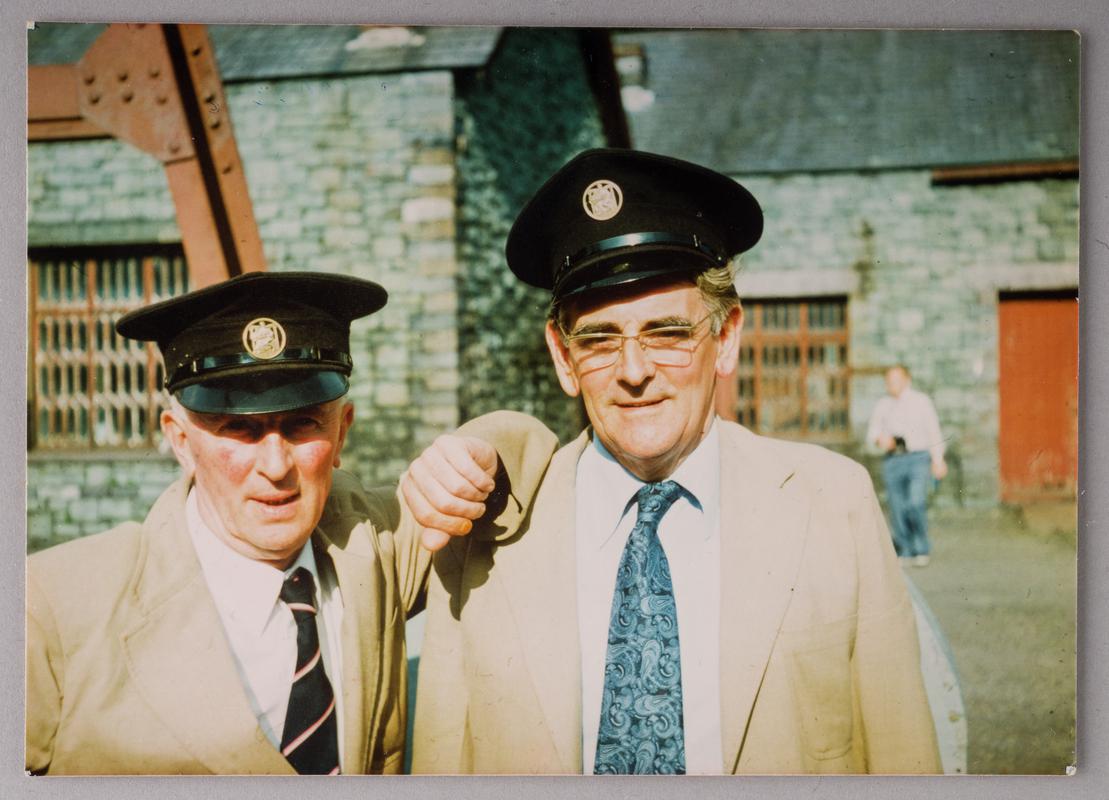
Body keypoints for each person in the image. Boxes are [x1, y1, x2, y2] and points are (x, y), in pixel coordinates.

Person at [407, 149, 941, 775]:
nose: (634, 371)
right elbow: (442, 761)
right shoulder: (482, 534)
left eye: (667, 333)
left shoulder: (834, 503)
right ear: (563, 356)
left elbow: (904, 756)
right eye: (600, 340)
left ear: (726, 336)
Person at [25, 271, 553, 775]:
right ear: (181, 442)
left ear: (342, 432)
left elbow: (519, 447)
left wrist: (472, 459)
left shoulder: (373, 542)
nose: (276, 466)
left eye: (302, 425)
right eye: (240, 429)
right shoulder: (53, 608)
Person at [866, 365, 948, 567]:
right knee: (897, 505)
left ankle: (921, 546)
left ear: (907, 380)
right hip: (893, 459)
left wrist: (938, 460)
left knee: (915, 501)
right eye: (888, 380)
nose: (891, 384)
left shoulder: (921, 402)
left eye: (896, 380)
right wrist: (880, 440)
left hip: (918, 457)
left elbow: (933, 431)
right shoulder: (883, 404)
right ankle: (905, 548)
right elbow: (872, 432)